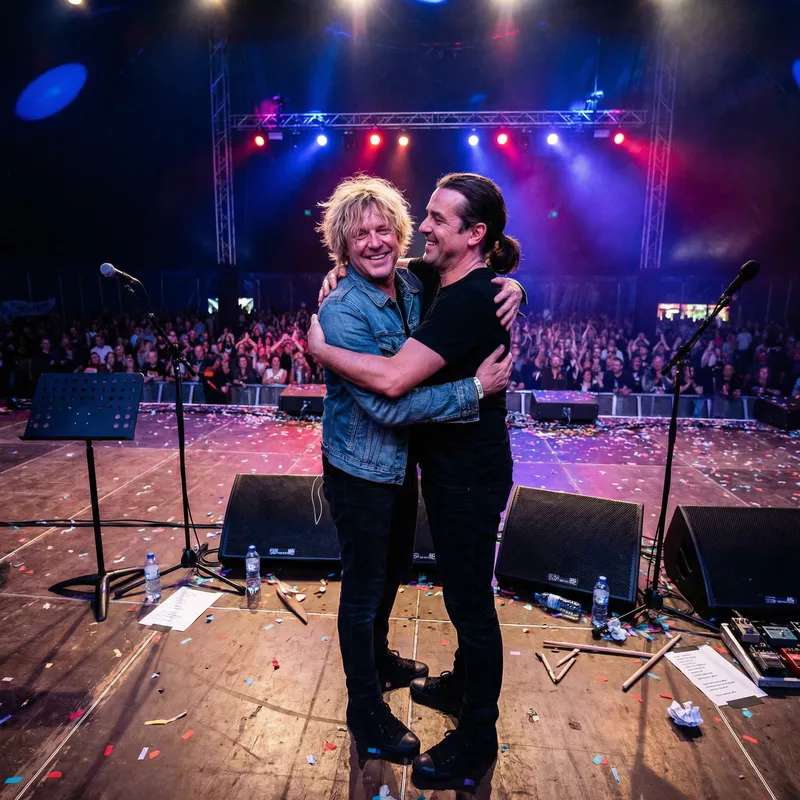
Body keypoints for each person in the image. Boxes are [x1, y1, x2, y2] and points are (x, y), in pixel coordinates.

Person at [310, 173, 521, 788]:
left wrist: (514, 287)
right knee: (371, 584)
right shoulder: (386, 291)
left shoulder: (444, 288)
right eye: (361, 234)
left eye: (392, 228)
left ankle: (478, 731)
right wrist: (474, 386)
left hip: (461, 475)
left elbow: (399, 381)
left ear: (472, 235)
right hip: (370, 467)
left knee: (466, 604)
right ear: (342, 246)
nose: (389, 239)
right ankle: (365, 703)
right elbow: (384, 400)